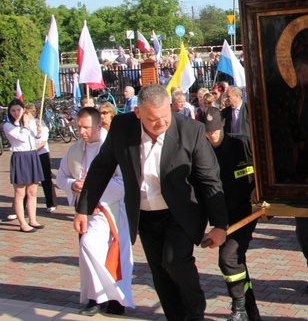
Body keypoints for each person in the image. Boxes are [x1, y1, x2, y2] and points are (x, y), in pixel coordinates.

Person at [74, 84, 229, 320]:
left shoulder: (191, 130)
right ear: (138, 113)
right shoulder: (122, 128)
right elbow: (101, 168)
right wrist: (83, 209)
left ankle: (196, 310)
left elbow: (210, 179)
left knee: (175, 261)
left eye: (165, 116)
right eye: (153, 119)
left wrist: (220, 225)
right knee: (160, 271)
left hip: (181, 212)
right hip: (145, 214)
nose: (161, 123)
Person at [57, 107, 133, 316]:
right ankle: (94, 297)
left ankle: (117, 300)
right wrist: (73, 185)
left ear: (99, 126)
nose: (81, 131)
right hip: (87, 212)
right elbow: (61, 177)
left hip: (111, 209)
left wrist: (93, 187)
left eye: (86, 127)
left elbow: (124, 181)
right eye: (78, 126)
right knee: (88, 252)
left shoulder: (114, 146)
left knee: (113, 255)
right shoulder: (74, 150)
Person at [203, 107, 262, 321]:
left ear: (224, 124)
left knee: (228, 258)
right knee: (236, 261)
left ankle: (239, 308)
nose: (212, 135)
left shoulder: (242, 143)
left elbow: (264, 166)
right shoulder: (202, 152)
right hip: (222, 218)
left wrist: (260, 187)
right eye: (208, 131)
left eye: (216, 130)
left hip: (245, 213)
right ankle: (250, 311)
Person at [2, 99, 45, 232]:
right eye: (13, 110)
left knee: (32, 191)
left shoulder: (30, 123)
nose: (16, 113)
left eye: (18, 110)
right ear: (9, 111)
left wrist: (38, 132)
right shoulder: (8, 125)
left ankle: (32, 219)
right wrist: (25, 125)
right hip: (20, 157)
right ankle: (22, 223)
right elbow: (21, 138)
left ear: (23, 110)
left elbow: (35, 140)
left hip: (32, 155)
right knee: (20, 193)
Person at [25, 103, 56, 213]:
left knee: (46, 179)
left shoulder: (40, 124)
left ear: (29, 113)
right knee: (27, 180)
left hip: (41, 154)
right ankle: (24, 204)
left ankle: (51, 203)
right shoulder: (24, 125)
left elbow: (42, 142)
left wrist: (33, 150)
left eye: (25, 114)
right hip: (28, 155)